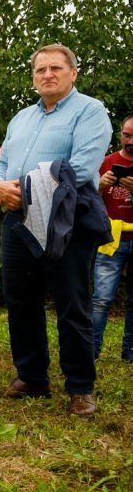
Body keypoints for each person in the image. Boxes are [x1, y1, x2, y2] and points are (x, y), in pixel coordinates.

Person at [0, 43, 112, 416]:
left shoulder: (90, 111)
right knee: (21, 301)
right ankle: (31, 378)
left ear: (73, 73)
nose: (47, 74)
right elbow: (0, 162)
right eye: (41, 69)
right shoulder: (21, 118)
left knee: (72, 304)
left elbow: (80, 167)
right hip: (18, 220)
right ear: (33, 77)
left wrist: (22, 187)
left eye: (56, 68)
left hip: (66, 218)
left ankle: (80, 388)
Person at [90, 114, 133, 362]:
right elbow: (88, 197)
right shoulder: (106, 161)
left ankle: (130, 352)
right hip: (111, 237)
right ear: (120, 134)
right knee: (101, 299)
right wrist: (100, 185)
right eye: (127, 135)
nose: (130, 141)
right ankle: (92, 350)